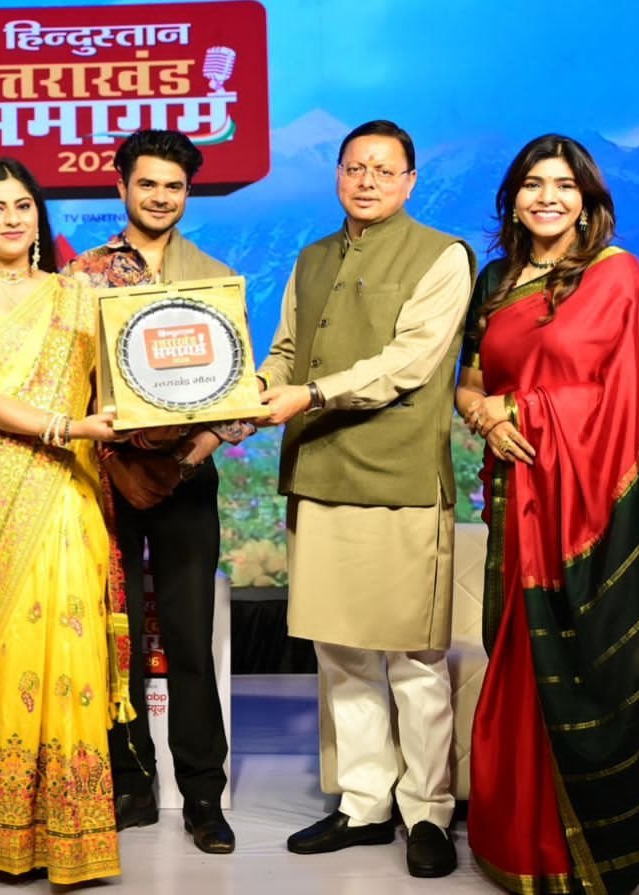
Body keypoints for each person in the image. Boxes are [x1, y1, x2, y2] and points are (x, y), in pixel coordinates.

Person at [456, 134, 639, 894]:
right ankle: (521, 840)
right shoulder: (496, 280)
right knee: (520, 662)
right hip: (520, 504)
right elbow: (471, 381)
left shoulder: (618, 278)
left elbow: (635, 399)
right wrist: (486, 413)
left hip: (598, 513)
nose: (547, 197)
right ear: (512, 198)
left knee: (602, 663)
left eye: (564, 185)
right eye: (533, 183)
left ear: (587, 200)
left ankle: (602, 846)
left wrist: (526, 411)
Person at [259, 119, 472, 879]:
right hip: (319, 471)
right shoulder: (312, 256)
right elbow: (287, 351)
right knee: (340, 651)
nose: (368, 180)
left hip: (400, 479)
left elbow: (410, 363)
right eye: (355, 167)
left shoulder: (443, 255)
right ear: (338, 176)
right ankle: (363, 803)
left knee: (414, 657)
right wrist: (246, 393)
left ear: (410, 181)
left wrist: (309, 394)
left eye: (384, 169)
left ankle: (428, 810)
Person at [0, 157, 129, 884]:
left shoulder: (74, 295)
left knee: (71, 649)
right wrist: (67, 427)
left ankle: (75, 835)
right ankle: (6, 836)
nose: (12, 218)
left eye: (23, 205)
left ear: (39, 216)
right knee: (6, 659)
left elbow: (113, 383)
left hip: (68, 490)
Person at [63, 128, 243, 853]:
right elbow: (67, 380)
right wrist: (109, 455)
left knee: (190, 641)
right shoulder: (82, 275)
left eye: (174, 186)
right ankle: (130, 787)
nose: (160, 197)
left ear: (188, 193)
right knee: (118, 642)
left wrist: (196, 451)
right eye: (148, 184)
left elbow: (236, 387)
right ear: (121, 187)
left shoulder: (215, 279)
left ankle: (203, 797)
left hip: (187, 478)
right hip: (108, 480)